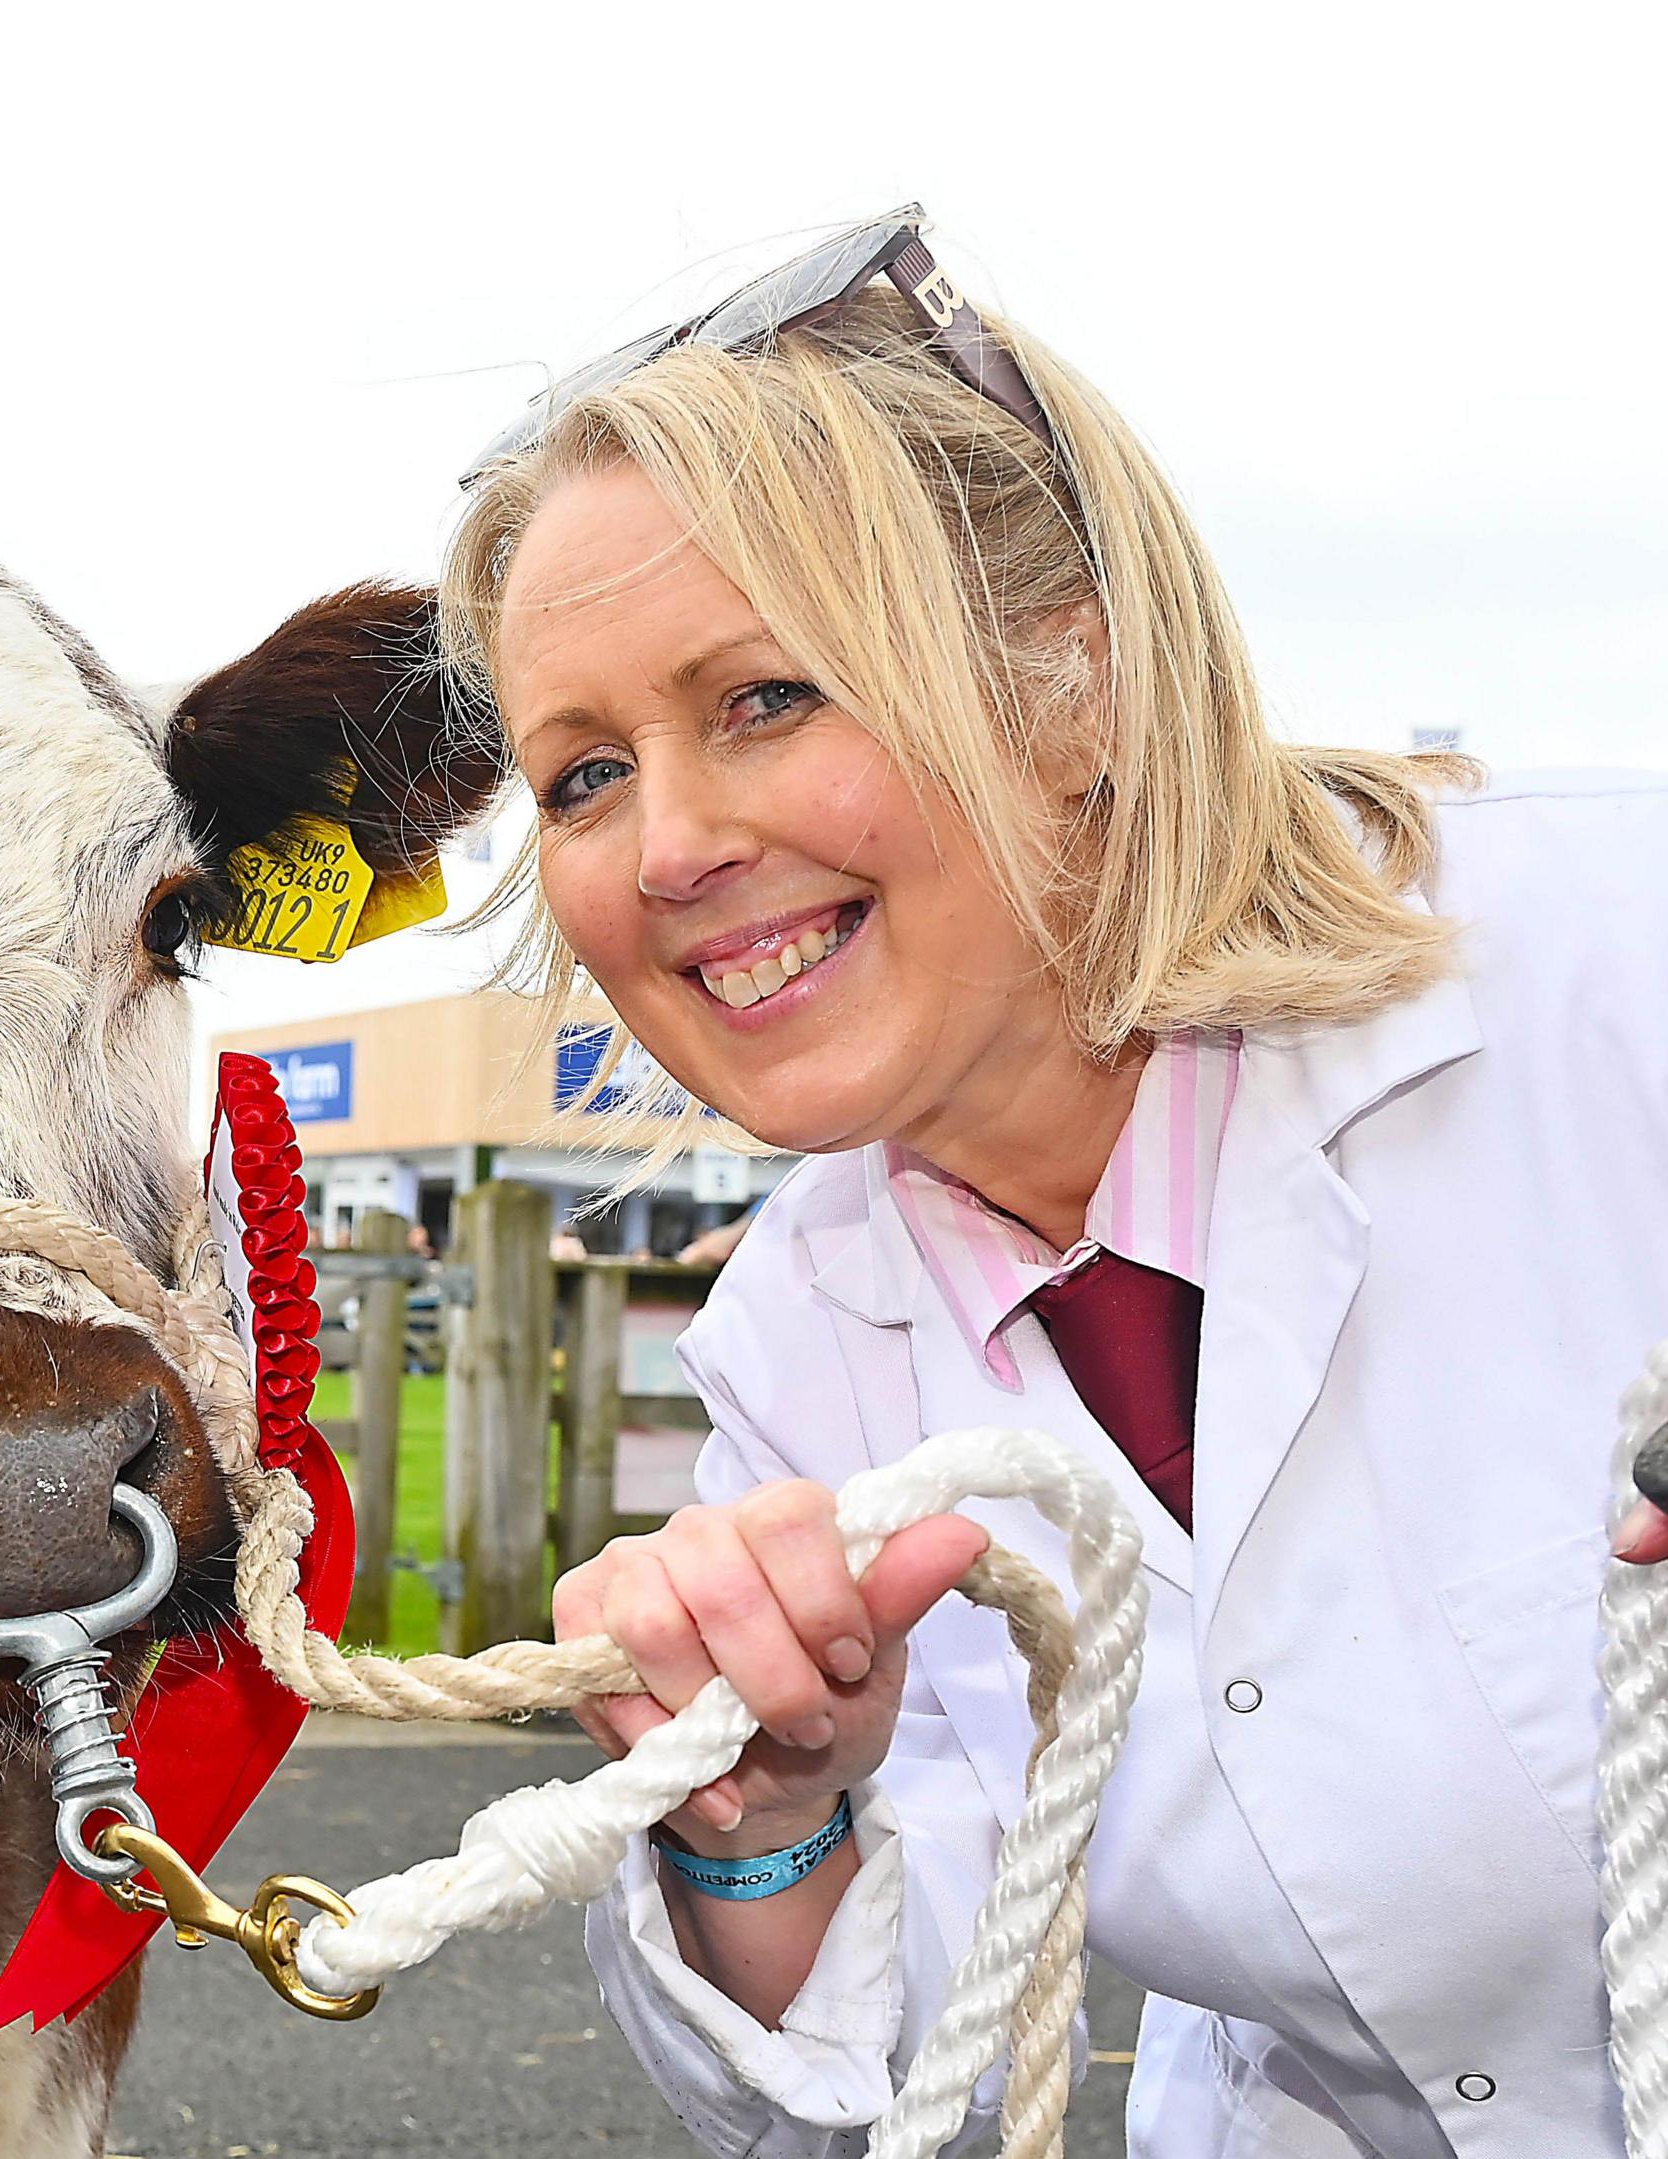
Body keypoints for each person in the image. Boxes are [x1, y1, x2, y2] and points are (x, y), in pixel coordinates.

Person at [443, 208, 1668, 2155]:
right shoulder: (802, 1355)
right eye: (583, 773)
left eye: (763, 698)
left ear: (1071, 692)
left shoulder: (1618, 957)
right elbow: (901, 2094)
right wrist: (775, 1830)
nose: (667, 847)